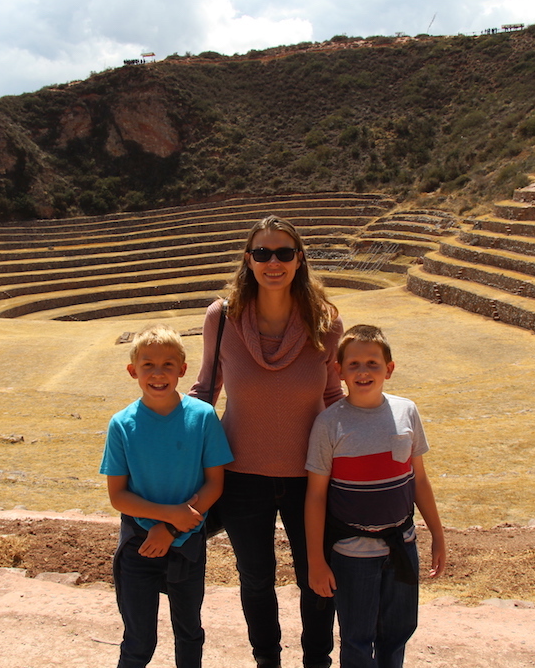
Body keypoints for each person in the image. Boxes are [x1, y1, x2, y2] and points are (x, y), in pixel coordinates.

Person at [190, 215, 344, 668]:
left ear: (299, 259)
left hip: (310, 477)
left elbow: (332, 395)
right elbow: (206, 389)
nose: (272, 262)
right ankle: (267, 661)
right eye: (262, 253)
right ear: (248, 259)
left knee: (316, 576)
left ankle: (317, 661)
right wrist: (157, 428)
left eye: (283, 253)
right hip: (240, 475)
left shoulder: (326, 321)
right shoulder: (222, 318)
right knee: (255, 579)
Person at [305, 324, 447, 668]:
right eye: (353, 364)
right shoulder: (329, 424)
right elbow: (316, 496)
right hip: (352, 554)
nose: (363, 371)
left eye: (373, 363)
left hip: (402, 544)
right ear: (338, 371)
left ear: (389, 369)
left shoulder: (406, 412)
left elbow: (419, 480)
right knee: (356, 639)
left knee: (398, 633)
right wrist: (316, 561)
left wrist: (438, 535)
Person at [101, 325, 234, 668]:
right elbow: (118, 496)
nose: (158, 374)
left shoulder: (202, 417)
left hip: (187, 543)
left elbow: (214, 485)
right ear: (133, 371)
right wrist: (169, 517)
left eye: (168, 365)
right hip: (139, 544)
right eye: (148, 365)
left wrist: (172, 528)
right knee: (138, 642)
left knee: (189, 633)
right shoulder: (121, 424)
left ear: (183, 370)